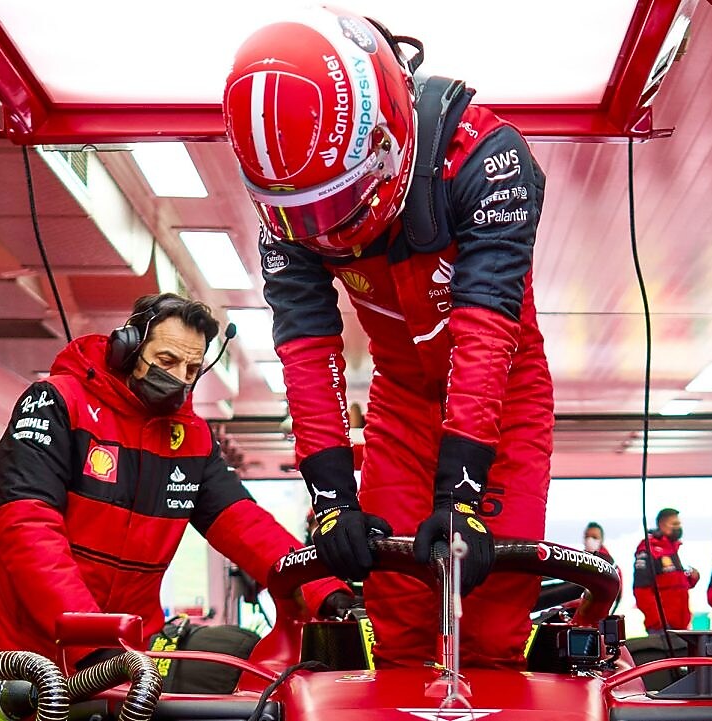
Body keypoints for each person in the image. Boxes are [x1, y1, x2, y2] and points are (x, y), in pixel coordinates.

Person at [222, 8, 552, 669]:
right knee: (395, 610)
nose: (322, 229)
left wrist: (460, 494)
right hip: (399, 396)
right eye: (305, 214)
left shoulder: (488, 160)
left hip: (504, 398)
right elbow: (306, 352)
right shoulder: (288, 212)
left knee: (491, 617)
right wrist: (330, 499)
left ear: (385, 140)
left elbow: (486, 334)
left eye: (333, 203)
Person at [0, 293, 350, 668]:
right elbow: (28, 529)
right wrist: (91, 639)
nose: (178, 378)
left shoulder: (193, 439)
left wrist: (324, 589)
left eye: (191, 369)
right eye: (166, 361)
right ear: (127, 349)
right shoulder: (56, 403)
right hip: (27, 658)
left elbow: (246, 526)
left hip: (126, 658)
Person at [633, 508, 699, 632]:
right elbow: (641, 591)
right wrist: (658, 622)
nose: (678, 527)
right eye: (674, 524)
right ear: (662, 525)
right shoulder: (648, 549)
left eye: (679, 524)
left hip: (681, 626)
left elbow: (672, 583)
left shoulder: (672, 549)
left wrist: (691, 579)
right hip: (661, 628)